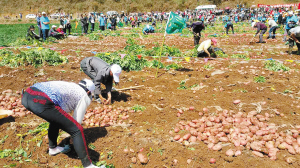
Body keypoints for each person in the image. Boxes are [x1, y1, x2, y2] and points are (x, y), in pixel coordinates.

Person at [21, 79, 101, 168]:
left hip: (27, 94)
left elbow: (58, 116)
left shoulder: (71, 87)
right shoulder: (84, 95)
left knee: (55, 119)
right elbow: (77, 121)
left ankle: (53, 148)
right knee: (77, 130)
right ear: (89, 92)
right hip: (40, 100)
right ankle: (88, 165)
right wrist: (73, 136)